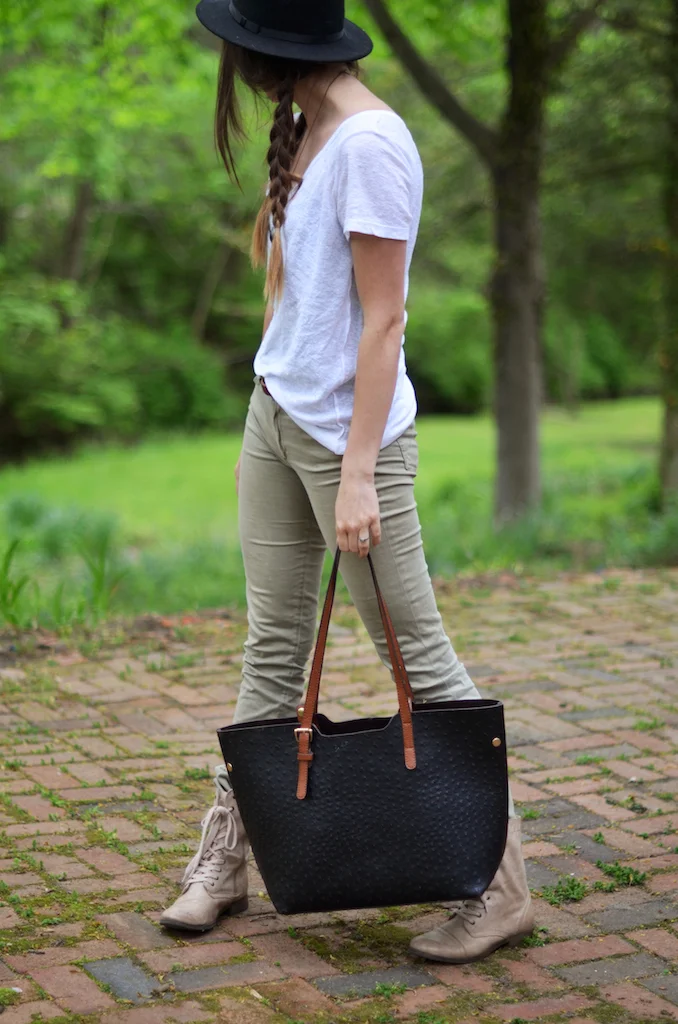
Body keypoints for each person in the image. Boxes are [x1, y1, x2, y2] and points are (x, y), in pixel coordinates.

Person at [159, 0, 534, 963]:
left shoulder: (371, 141)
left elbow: (385, 322)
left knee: (422, 662)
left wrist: (359, 473)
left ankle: (502, 887)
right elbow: (308, 302)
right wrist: (273, 404)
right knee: (271, 649)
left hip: (348, 445)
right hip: (277, 419)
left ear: (270, 49)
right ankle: (230, 857)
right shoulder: (314, 126)